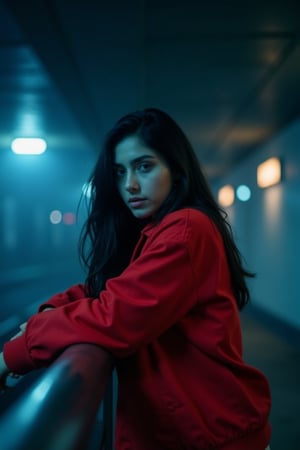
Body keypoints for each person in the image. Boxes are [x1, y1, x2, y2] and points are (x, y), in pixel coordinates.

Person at [0, 108, 271, 449]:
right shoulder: (154, 231)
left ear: (175, 167)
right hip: (191, 432)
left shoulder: (186, 229)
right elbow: (102, 290)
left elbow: (117, 316)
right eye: (119, 171)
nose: (129, 185)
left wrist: (18, 351)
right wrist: (48, 313)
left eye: (144, 166)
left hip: (209, 436)